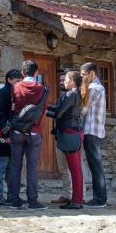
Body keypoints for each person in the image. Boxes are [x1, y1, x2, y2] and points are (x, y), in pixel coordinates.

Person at [7, 59, 49, 210]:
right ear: (36, 73)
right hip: (34, 131)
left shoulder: (16, 87)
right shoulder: (41, 89)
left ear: (23, 73)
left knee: (15, 166)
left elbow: (13, 107)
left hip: (17, 130)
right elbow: (43, 110)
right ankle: (33, 201)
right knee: (32, 167)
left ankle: (13, 199)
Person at [49, 70, 86, 209]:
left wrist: (50, 110)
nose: (63, 82)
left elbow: (59, 113)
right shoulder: (77, 94)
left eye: (66, 80)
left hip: (70, 132)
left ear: (72, 81)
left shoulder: (71, 94)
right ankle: (77, 199)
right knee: (76, 168)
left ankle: (76, 201)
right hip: (73, 132)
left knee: (74, 168)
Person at [0, 69, 22, 205]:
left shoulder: (14, 93)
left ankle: (12, 196)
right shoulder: (3, 93)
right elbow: (1, 116)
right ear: (9, 79)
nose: (19, 83)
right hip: (4, 136)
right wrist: (6, 135)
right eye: (17, 81)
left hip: (12, 135)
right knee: (1, 166)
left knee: (11, 168)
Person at [80, 61, 108, 208]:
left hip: (92, 132)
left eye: (84, 74)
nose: (82, 77)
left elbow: (83, 106)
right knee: (95, 166)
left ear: (92, 73)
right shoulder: (95, 87)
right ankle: (100, 198)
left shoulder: (95, 88)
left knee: (96, 167)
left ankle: (100, 199)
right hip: (93, 132)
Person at [52, 69, 74, 204]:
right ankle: (67, 194)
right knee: (63, 167)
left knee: (74, 166)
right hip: (60, 134)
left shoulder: (75, 95)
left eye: (63, 80)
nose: (61, 82)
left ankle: (78, 194)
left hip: (70, 135)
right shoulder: (62, 96)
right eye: (60, 80)